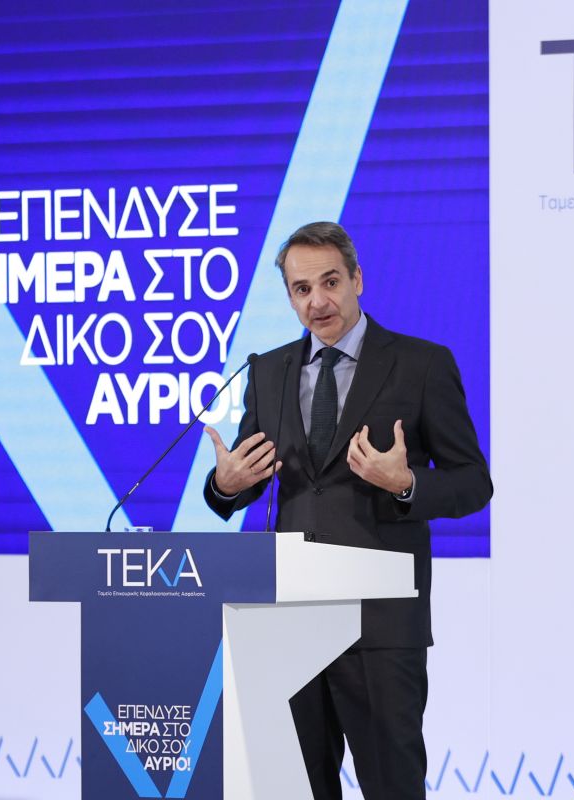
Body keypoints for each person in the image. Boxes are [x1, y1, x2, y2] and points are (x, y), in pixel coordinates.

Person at [203, 221, 492, 799]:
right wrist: (225, 485)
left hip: (379, 625)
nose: (318, 301)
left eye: (330, 282)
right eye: (301, 289)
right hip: (289, 622)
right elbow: (247, 478)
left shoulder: (421, 365)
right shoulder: (268, 372)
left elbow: (473, 484)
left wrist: (406, 483)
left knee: (392, 787)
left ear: (357, 279)